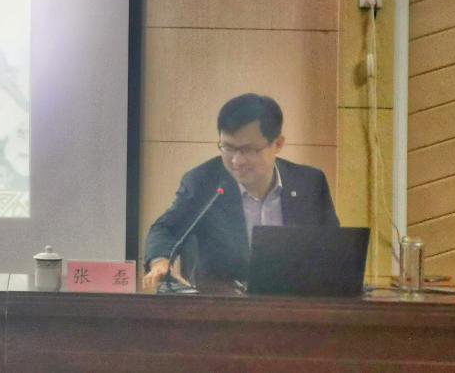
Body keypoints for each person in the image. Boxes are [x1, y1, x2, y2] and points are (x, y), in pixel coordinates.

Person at [141, 93, 339, 291]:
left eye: (249, 150)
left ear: (278, 144)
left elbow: (333, 249)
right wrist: (160, 262)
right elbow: (165, 229)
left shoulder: (309, 183)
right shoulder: (203, 182)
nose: (237, 161)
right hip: (223, 305)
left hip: (297, 303)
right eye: (228, 148)